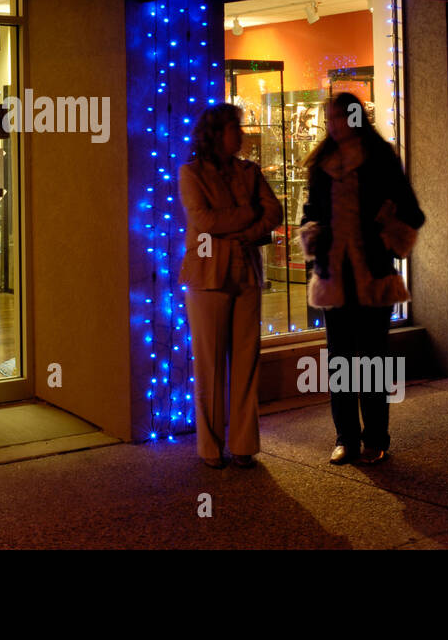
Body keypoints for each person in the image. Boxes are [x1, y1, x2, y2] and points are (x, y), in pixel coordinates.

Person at [298, 92, 425, 466]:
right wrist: (313, 232)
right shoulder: (321, 163)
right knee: (340, 359)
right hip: (334, 273)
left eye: (338, 117)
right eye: (329, 118)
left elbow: (412, 212)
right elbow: (309, 212)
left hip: (372, 272)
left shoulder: (380, 158)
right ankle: (345, 438)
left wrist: (386, 227)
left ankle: (375, 437)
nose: (332, 124)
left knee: (372, 357)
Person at [179, 103, 284, 469]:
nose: (240, 134)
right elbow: (204, 220)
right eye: (234, 128)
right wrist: (248, 217)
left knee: (246, 364)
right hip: (208, 278)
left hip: (246, 276)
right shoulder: (191, 173)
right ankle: (210, 448)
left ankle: (242, 445)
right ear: (215, 133)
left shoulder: (249, 171)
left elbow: (274, 212)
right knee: (208, 367)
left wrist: (245, 232)